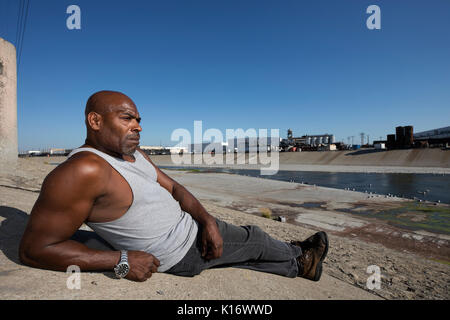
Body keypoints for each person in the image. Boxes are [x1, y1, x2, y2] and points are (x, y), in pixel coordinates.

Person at [19, 90, 329, 282]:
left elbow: (176, 188)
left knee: (243, 254)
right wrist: (122, 260)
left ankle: (298, 265)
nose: (138, 126)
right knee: (256, 239)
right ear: (95, 121)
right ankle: (301, 254)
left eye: (138, 119)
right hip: (181, 250)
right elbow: (34, 249)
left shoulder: (132, 154)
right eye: (127, 118)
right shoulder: (82, 170)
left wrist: (206, 220)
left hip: (191, 228)